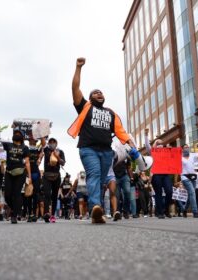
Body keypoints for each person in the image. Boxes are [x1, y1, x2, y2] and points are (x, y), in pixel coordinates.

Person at [69, 57, 136, 224]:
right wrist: (78, 68)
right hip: (88, 149)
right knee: (94, 175)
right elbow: (75, 88)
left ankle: (95, 211)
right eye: (95, 92)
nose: (99, 93)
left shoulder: (111, 113)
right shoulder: (85, 106)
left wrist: (130, 142)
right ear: (90, 98)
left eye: (101, 92)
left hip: (107, 152)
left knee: (100, 181)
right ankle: (96, 206)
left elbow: (120, 131)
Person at [3, 127, 32, 224]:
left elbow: (27, 162)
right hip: (9, 172)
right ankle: (15, 208)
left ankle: (14, 215)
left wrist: (29, 176)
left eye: (18, 134)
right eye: (15, 133)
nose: (16, 134)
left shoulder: (25, 148)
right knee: (7, 194)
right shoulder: (8, 145)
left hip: (20, 173)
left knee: (17, 193)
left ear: (22, 137)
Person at [144, 128, 173, 219]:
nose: (160, 145)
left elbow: (173, 159)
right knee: (158, 193)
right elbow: (147, 146)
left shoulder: (166, 152)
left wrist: (171, 151)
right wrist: (146, 135)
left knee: (169, 191)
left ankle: (166, 209)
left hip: (165, 174)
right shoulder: (152, 152)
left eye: (161, 143)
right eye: (158, 143)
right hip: (156, 174)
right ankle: (160, 212)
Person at [180, 144, 198, 218]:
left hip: (193, 176)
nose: (187, 148)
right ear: (182, 149)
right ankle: (195, 212)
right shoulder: (179, 157)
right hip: (184, 177)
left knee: (191, 194)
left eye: (188, 147)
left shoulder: (193, 156)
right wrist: (176, 180)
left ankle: (184, 209)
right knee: (192, 192)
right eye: (185, 147)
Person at [42, 138, 65, 223]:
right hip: (46, 176)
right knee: (47, 194)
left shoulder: (60, 151)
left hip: (56, 176)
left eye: (53, 142)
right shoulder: (46, 150)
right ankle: (46, 213)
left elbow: (63, 163)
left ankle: (52, 215)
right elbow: (43, 143)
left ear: (56, 143)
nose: (52, 143)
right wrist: (42, 135)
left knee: (54, 196)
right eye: (50, 142)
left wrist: (57, 156)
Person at [25, 137, 45, 222]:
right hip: (27, 174)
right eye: (31, 140)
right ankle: (30, 214)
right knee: (28, 195)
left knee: (35, 195)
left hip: (36, 173)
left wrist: (42, 135)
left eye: (34, 140)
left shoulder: (38, 150)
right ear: (29, 141)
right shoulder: (25, 149)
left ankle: (34, 214)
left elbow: (44, 144)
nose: (32, 141)